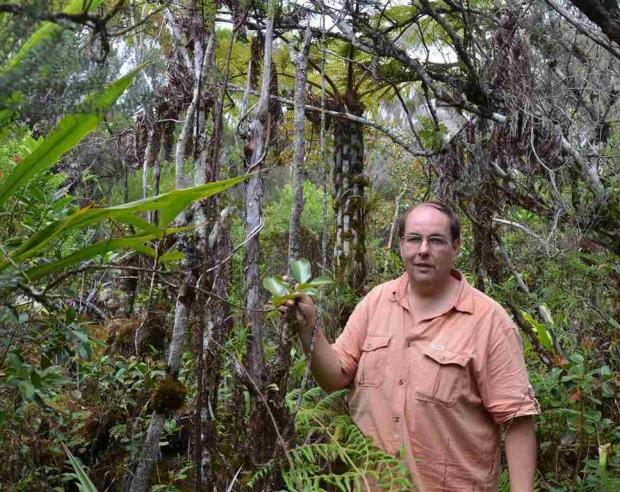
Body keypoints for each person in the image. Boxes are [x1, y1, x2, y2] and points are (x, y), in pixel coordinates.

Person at [281, 202, 540, 491]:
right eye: (414, 239)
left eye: (436, 240)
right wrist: (308, 328)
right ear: (402, 245)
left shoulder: (489, 321)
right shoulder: (375, 303)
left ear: (455, 247)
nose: (423, 250)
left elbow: (517, 420)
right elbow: (335, 376)